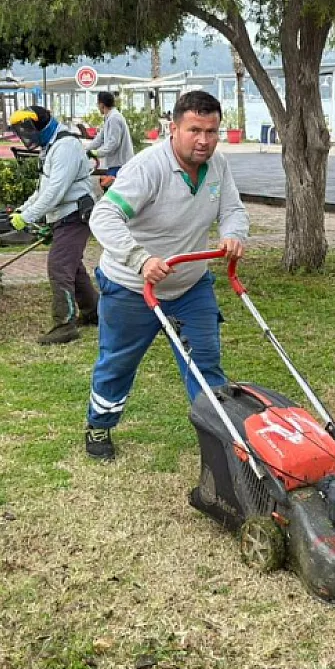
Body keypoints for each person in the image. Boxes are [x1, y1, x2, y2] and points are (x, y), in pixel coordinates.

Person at [83, 90, 248, 460]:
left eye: (212, 131)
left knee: (205, 363)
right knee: (118, 362)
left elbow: (233, 210)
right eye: (194, 130)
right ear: (173, 128)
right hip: (132, 286)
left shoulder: (218, 167)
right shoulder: (148, 168)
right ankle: (99, 425)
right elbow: (104, 217)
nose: (204, 140)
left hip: (190, 285)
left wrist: (233, 234)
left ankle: (225, 443)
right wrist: (141, 260)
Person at [9, 106, 100, 345]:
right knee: (73, 266)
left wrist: (27, 218)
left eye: (28, 130)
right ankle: (94, 312)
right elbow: (42, 190)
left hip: (75, 215)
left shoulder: (66, 147)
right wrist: (21, 210)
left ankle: (64, 325)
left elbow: (54, 193)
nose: (26, 136)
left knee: (59, 266)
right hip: (63, 216)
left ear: (42, 126)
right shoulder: (50, 148)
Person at [86, 90, 135, 176]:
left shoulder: (114, 118)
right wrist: (86, 150)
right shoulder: (109, 117)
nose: (97, 106)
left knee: (112, 188)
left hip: (120, 165)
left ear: (101, 104)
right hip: (115, 164)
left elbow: (113, 143)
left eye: (97, 104)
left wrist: (96, 153)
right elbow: (99, 138)